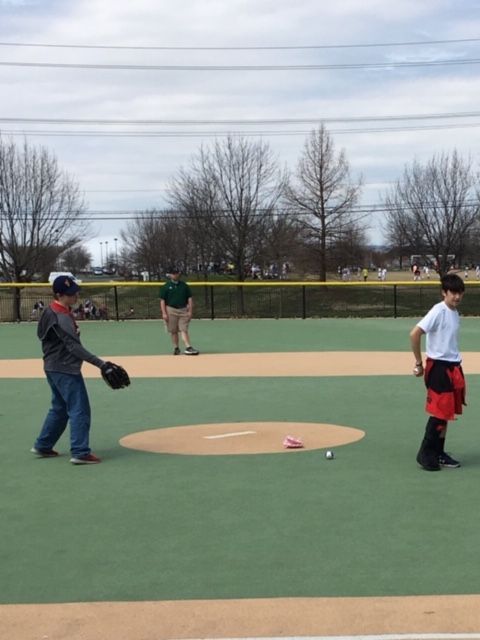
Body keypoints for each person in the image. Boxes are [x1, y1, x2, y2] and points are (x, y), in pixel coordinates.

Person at [31, 275, 114, 464]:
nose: (76, 295)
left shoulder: (50, 311)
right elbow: (73, 347)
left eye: (75, 292)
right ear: (59, 295)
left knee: (60, 408)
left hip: (52, 366)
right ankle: (80, 451)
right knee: (79, 409)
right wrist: (101, 364)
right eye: (71, 293)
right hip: (65, 369)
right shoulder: (60, 316)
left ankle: (43, 445)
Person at [409, 273, 466, 471]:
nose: (457, 297)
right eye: (453, 293)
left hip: (452, 367)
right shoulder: (438, 311)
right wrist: (419, 363)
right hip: (439, 368)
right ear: (444, 292)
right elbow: (415, 333)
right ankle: (425, 453)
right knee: (440, 412)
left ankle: (439, 452)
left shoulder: (454, 312)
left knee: (446, 413)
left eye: (460, 293)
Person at [160, 267, 199, 355]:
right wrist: (164, 313)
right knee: (173, 331)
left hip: (183, 309)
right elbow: (162, 301)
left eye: (176, 273)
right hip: (171, 309)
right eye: (173, 273)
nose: (175, 275)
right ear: (170, 275)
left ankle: (188, 347)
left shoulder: (184, 286)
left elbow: (189, 299)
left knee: (183, 329)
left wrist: (190, 311)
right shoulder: (166, 286)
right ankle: (176, 348)